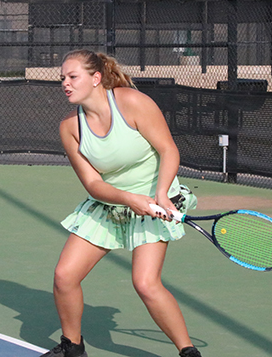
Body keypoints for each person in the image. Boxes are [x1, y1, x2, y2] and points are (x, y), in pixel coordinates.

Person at [42, 49, 201, 357]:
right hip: (111, 204)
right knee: (65, 276)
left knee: (145, 283)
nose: (66, 83)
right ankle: (72, 348)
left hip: (155, 197)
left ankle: (188, 352)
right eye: (63, 78)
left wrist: (162, 194)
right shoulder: (70, 128)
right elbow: (93, 184)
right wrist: (129, 199)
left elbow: (168, 150)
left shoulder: (132, 102)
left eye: (73, 77)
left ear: (96, 78)